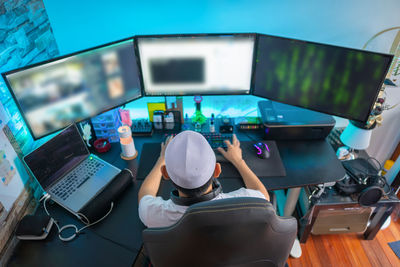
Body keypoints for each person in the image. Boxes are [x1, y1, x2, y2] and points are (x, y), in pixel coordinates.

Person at [138, 130, 269, 228]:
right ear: (217, 170)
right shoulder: (246, 205)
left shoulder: (154, 215)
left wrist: (161, 160)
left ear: (165, 174)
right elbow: (263, 194)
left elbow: (145, 194)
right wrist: (238, 161)